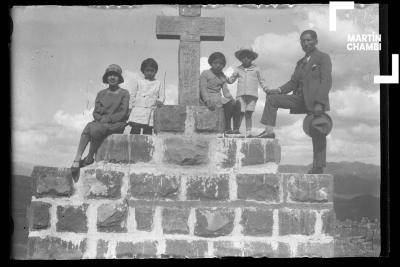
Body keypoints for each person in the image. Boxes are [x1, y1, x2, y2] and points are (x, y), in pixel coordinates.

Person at [257, 30, 332, 174]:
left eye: (309, 40)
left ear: (316, 41)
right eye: (303, 41)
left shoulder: (323, 57)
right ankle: (268, 131)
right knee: (272, 99)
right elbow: (292, 83)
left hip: (315, 102)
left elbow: (326, 81)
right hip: (298, 99)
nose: (305, 43)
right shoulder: (300, 62)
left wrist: (320, 103)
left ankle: (318, 166)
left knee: (318, 129)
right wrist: (278, 90)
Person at [71, 64, 130, 181]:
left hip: (116, 124)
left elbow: (123, 113)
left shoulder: (124, 93)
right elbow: (95, 112)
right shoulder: (101, 94)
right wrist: (100, 118)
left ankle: (89, 158)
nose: (112, 78)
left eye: (115, 75)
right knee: (89, 126)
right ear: (106, 78)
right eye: (110, 75)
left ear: (119, 78)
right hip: (101, 122)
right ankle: (78, 158)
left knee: (96, 128)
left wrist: (109, 119)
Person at [225, 47, 268, 137]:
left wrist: (266, 89)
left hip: (252, 95)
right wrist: (223, 77)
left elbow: (262, 81)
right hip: (240, 95)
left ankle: (248, 132)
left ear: (252, 58)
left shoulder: (256, 69)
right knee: (239, 113)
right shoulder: (237, 69)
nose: (246, 59)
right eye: (243, 57)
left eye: (248, 57)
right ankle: (236, 130)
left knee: (248, 113)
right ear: (240, 58)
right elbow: (231, 80)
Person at [200, 52, 240, 134]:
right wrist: (207, 101)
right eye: (215, 63)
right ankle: (227, 128)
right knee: (228, 105)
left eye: (221, 63)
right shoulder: (205, 73)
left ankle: (236, 129)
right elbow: (202, 88)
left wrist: (232, 100)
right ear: (211, 63)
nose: (218, 65)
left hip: (218, 98)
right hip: (209, 98)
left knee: (237, 103)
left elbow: (226, 91)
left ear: (223, 65)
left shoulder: (222, 76)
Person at [128, 58, 165, 135]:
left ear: (155, 71)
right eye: (147, 70)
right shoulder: (139, 81)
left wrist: (160, 101)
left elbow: (162, 95)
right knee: (135, 129)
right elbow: (132, 95)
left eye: (152, 70)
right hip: (138, 108)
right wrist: (130, 107)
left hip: (150, 110)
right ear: (143, 71)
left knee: (148, 130)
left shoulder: (158, 83)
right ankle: (133, 145)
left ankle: (147, 146)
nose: (149, 73)